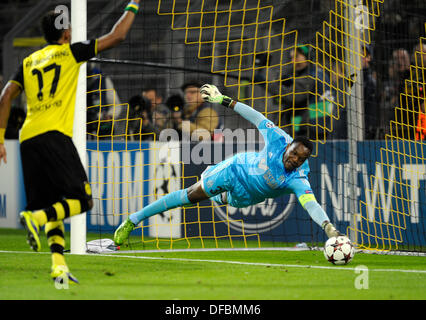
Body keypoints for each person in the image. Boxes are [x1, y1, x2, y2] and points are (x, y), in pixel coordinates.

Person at [0, 1, 141, 284]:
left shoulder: (29, 61)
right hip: (54, 135)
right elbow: (117, 36)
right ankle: (35, 219)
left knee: (52, 206)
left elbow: (5, 98)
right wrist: (134, 5)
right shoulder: (70, 53)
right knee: (82, 200)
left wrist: (0, 139)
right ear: (65, 34)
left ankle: (58, 267)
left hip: (28, 138)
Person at [114, 83, 342, 245]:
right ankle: (132, 221)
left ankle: (216, 189)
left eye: (300, 159)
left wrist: (328, 227)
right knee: (190, 195)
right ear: (289, 146)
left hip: (245, 198)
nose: (294, 160)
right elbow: (255, 116)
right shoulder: (279, 138)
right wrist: (223, 100)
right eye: (293, 154)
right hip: (235, 169)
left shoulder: (298, 178)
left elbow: (311, 204)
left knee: (223, 198)